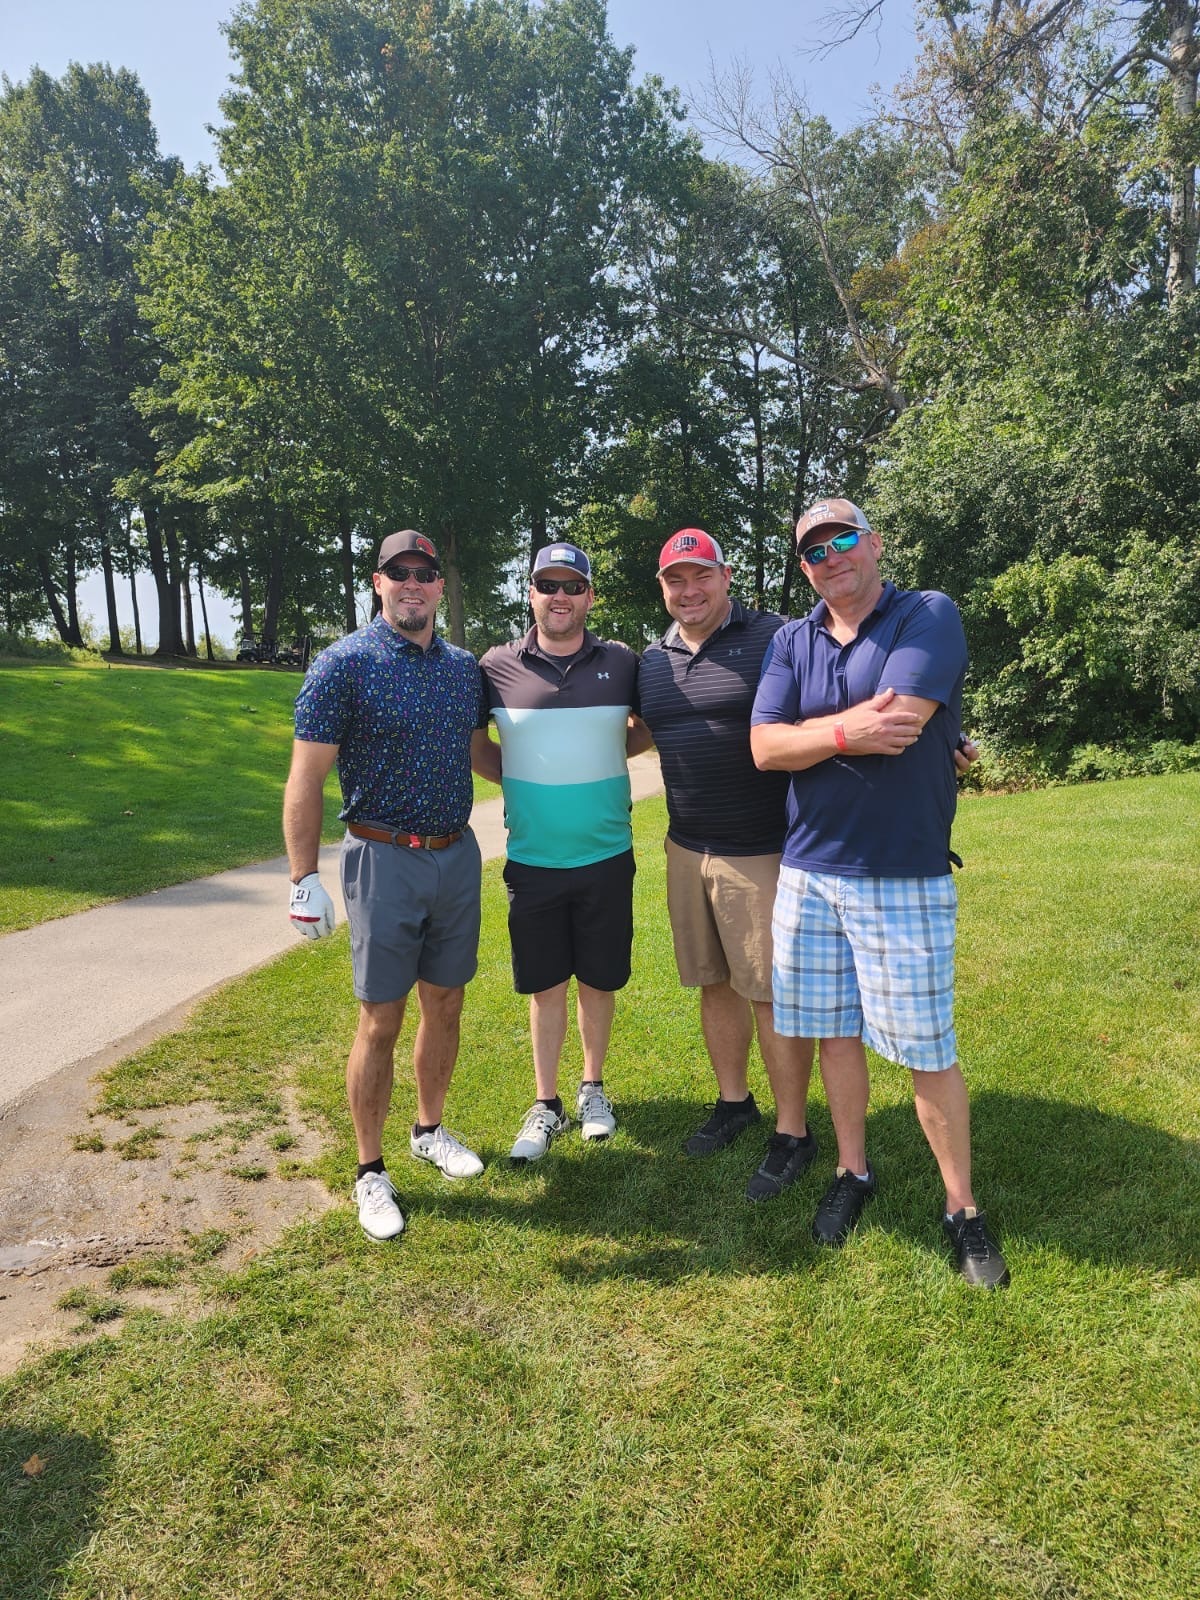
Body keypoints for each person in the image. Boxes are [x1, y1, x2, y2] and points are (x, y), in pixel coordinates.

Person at [749, 497, 1009, 1288]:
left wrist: (812, 736)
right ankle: (852, 1170)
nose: (832, 557)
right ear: (804, 567)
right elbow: (763, 746)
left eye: (845, 540)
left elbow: (903, 720)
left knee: (928, 1049)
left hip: (902, 872)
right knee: (835, 1035)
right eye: (815, 550)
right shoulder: (792, 639)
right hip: (808, 872)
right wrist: (844, 732)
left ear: (876, 543)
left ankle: (962, 1208)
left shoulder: (927, 614)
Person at [283, 530, 485, 1243]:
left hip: (455, 855)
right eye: (399, 572)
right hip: (382, 858)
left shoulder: (462, 669)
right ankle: (370, 1170)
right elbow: (306, 776)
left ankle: (428, 1130)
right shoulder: (343, 664)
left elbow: (482, 753)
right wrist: (302, 878)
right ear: (378, 583)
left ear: (439, 585)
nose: (413, 584)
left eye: (424, 573)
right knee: (381, 1019)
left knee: (447, 1002)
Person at [637, 528, 817, 1201]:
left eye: (701, 576)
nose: (689, 591)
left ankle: (793, 1132)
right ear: (663, 588)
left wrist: (941, 734)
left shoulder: (776, 635)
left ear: (726, 576)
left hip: (761, 851)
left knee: (769, 994)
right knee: (713, 983)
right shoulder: (651, 661)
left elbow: (838, 691)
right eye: (675, 580)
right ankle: (734, 1101)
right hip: (687, 848)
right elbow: (622, 730)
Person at [472, 542, 651, 1164]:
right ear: (530, 594)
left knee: (599, 980)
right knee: (545, 984)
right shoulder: (495, 665)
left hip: (606, 853)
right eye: (547, 585)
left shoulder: (622, 662)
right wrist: (524, 773)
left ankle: (592, 1088)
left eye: (573, 586)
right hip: (534, 858)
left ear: (590, 596)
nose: (560, 596)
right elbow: (477, 745)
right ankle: (546, 1102)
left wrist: (599, 756)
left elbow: (646, 727)